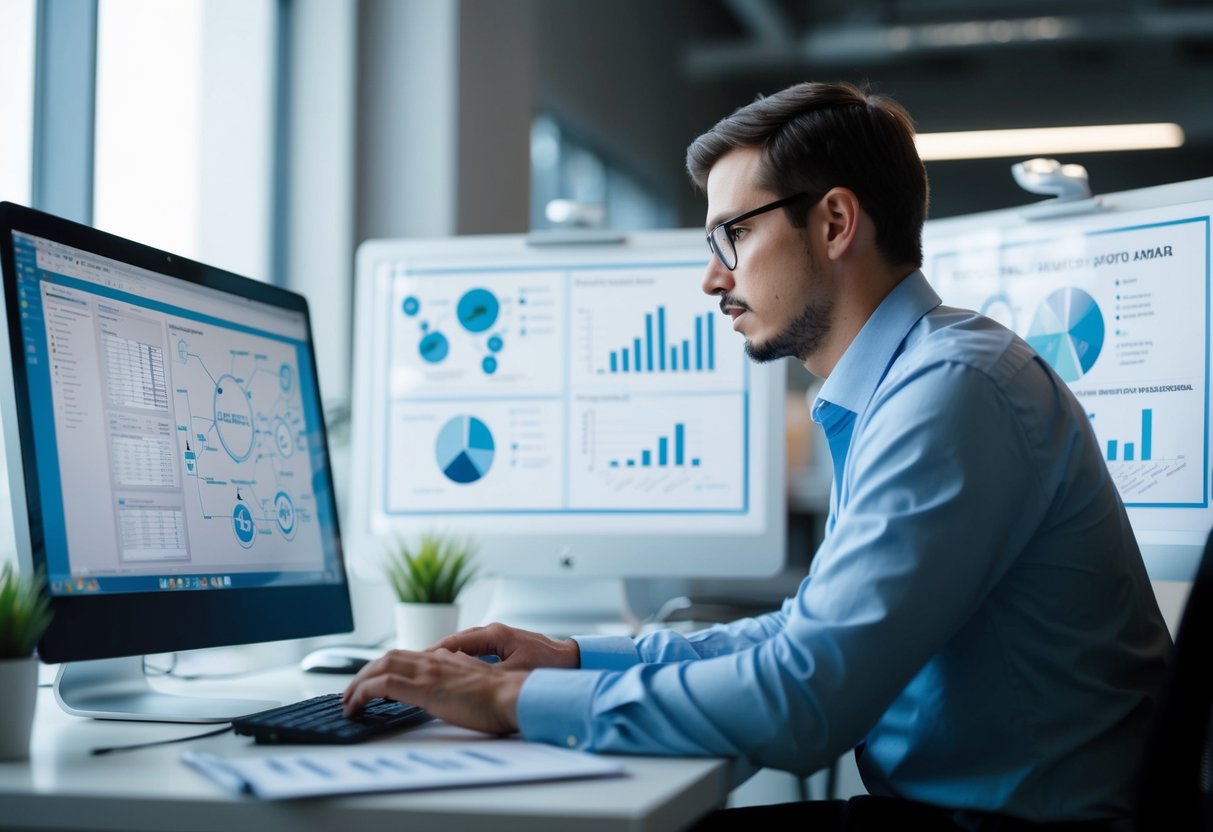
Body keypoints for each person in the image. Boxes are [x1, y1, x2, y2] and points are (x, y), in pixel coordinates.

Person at [343, 81, 1172, 830]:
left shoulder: (953, 391)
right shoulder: (910, 380)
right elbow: (801, 637)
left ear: (835, 222)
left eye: (731, 236)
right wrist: (571, 656)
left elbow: (802, 699)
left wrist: (510, 697)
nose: (711, 279)